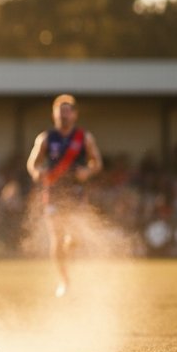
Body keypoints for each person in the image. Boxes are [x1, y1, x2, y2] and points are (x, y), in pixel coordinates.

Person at [27, 94, 103, 297]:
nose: (64, 116)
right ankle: (64, 280)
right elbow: (32, 163)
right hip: (53, 193)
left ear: (75, 115)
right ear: (54, 115)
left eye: (67, 112)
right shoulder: (45, 138)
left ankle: (68, 259)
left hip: (76, 194)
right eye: (60, 112)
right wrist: (37, 173)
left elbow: (96, 162)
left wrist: (87, 171)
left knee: (75, 238)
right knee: (57, 237)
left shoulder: (84, 138)